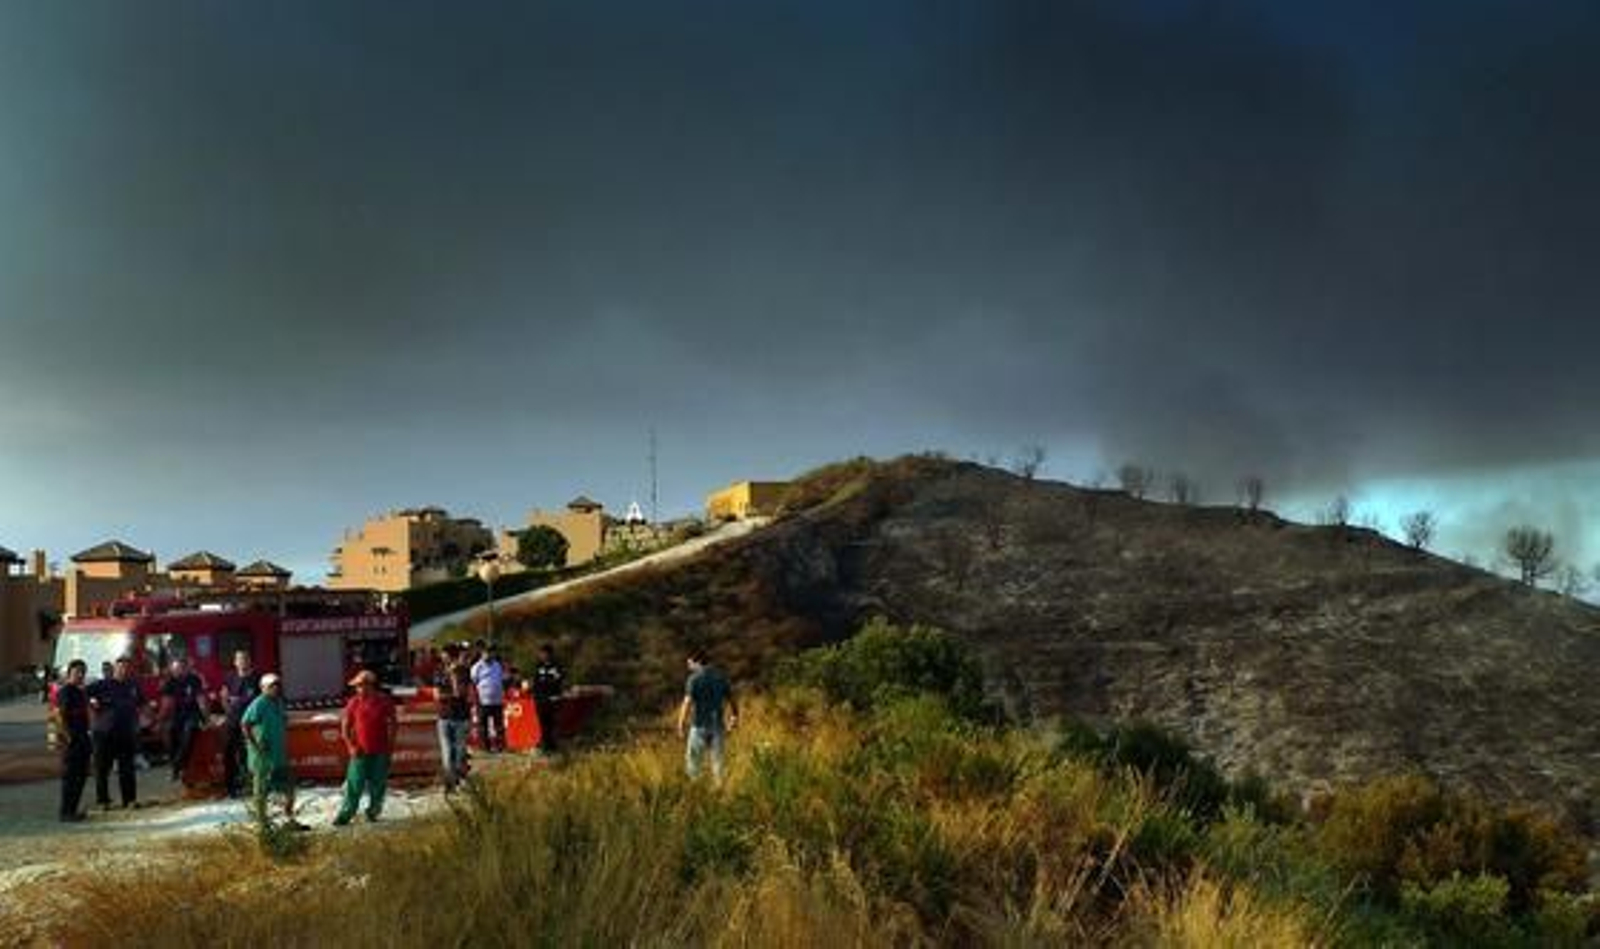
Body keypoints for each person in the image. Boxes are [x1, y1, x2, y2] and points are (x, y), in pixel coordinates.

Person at [240, 673, 304, 829]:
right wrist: (256, 745)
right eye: (271, 686)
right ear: (263, 688)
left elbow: (283, 720)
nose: (275, 688)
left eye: (277, 685)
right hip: (262, 757)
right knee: (261, 792)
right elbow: (245, 724)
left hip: (278, 755)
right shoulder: (259, 703)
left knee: (289, 788)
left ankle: (289, 820)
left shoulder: (279, 702)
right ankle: (263, 824)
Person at [334, 669, 398, 825]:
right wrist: (351, 746)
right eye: (357, 686)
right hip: (360, 752)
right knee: (354, 785)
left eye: (361, 685)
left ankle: (373, 812)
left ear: (370, 685)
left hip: (380, 750)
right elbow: (345, 727)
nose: (358, 689)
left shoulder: (384, 701)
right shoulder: (353, 702)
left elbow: (394, 723)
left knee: (378, 785)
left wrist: (390, 746)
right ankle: (345, 815)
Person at [87, 656, 142, 809]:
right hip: (104, 733)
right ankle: (103, 801)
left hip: (125, 733)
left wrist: (144, 721)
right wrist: (92, 704)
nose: (124, 670)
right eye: (121, 668)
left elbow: (141, 704)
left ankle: (129, 800)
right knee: (102, 769)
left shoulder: (133, 686)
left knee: (127, 769)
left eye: (127, 668)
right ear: (115, 669)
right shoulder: (102, 684)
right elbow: (84, 694)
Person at [678, 650, 738, 785]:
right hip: (718, 726)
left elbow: (687, 703)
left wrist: (680, 725)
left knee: (694, 763)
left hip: (699, 726)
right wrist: (734, 717)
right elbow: (732, 700)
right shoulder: (721, 677)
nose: (689, 667)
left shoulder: (693, 679)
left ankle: (696, 790)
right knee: (718, 763)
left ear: (697, 662)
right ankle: (721, 791)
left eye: (690, 663)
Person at [217, 650, 261, 798]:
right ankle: (231, 787)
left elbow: (263, 701)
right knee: (228, 753)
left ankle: (250, 785)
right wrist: (229, 711)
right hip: (232, 722)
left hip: (250, 724)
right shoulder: (230, 678)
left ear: (250, 661)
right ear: (235, 662)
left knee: (246, 755)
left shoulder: (257, 679)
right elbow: (223, 697)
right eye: (239, 659)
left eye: (245, 659)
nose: (242, 662)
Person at [159, 657, 207, 782]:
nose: (178, 671)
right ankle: (177, 765)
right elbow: (166, 703)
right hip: (177, 715)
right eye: (175, 669)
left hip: (192, 714)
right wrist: (160, 720)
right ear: (172, 670)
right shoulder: (169, 682)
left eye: (181, 668)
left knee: (189, 732)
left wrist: (206, 718)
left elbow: (200, 699)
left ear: (186, 668)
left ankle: (177, 767)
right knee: (170, 733)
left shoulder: (194, 679)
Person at [434, 643, 473, 790]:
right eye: (442, 654)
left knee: (459, 753)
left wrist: (453, 675)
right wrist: (447, 695)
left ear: (452, 656)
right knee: (447, 753)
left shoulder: (463, 671)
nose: (442, 656)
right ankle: (449, 784)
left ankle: (458, 779)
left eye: (444, 654)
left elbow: (460, 693)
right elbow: (436, 695)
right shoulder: (439, 671)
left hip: (461, 717)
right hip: (443, 717)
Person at [56, 659, 92, 822]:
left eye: (83, 672)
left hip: (83, 738)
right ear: (69, 673)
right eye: (77, 672)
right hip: (72, 741)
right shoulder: (65, 691)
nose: (80, 675)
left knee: (81, 776)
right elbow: (58, 717)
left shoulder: (80, 692)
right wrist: (67, 738)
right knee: (71, 777)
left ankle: (73, 810)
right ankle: (65, 812)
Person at [531, 644, 565, 755]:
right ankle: (545, 745)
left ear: (550, 654)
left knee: (552, 723)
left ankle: (552, 746)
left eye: (545, 653)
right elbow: (535, 682)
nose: (543, 655)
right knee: (543, 723)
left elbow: (557, 682)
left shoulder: (557, 667)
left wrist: (549, 687)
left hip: (553, 699)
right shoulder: (538, 666)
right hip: (541, 700)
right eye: (541, 653)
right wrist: (535, 694)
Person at [471, 648, 506, 752]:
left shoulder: (497, 665)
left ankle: (500, 746)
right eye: (486, 653)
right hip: (483, 700)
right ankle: (485, 747)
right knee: (483, 725)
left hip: (497, 700)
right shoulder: (477, 666)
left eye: (490, 652)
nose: (488, 655)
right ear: (482, 654)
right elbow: (473, 682)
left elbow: (500, 679)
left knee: (498, 725)